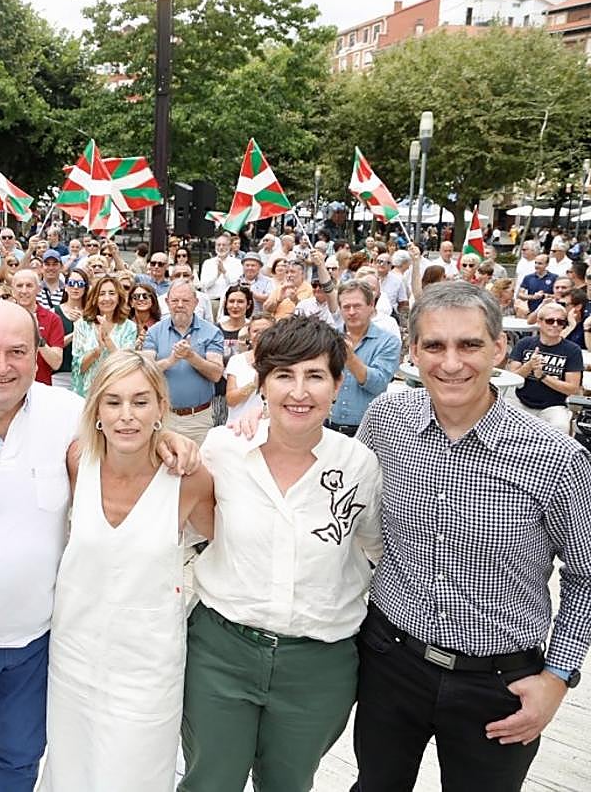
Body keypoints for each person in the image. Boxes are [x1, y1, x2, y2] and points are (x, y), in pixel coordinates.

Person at [0, 302, 196, 792]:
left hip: (41, 638)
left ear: (37, 356)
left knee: (22, 758)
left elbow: (129, 437)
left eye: (16, 352)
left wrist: (169, 439)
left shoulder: (69, 418)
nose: (2, 366)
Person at [350, 282, 591, 792]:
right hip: (391, 660)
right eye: (434, 346)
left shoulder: (556, 456)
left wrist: (557, 679)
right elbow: (340, 497)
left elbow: (585, 575)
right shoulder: (386, 422)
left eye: (470, 345)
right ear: (413, 352)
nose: (451, 362)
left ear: (500, 348)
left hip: (500, 682)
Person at [181, 316, 384, 792]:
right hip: (221, 650)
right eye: (284, 375)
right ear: (263, 384)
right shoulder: (222, 449)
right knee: (210, 781)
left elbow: (373, 548)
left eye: (314, 376)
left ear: (336, 386)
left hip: (317, 663)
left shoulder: (359, 464)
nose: (299, 391)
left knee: (289, 784)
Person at [39, 351, 214, 792]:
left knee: (133, 776)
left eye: (140, 401)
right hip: (75, 655)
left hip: (147, 665)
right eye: (113, 402)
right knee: (70, 771)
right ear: (96, 409)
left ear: (160, 406)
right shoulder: (79, 461)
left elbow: (229, 542)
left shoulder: (188, 479)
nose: (126, 416)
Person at [142, 280, 224, 445]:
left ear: (196, 302)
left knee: (198, 467)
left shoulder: (212, 332)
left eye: (185, 301)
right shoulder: (154, 332)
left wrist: (191, 356)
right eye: (175, 300)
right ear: (166, 302)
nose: (180, 305)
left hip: (198, 420)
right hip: (162, 417)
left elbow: (216, 374)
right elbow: (145, 371)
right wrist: (171, 360)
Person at [327, 281, 402, 437]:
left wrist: (350, 358)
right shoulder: (327, 338)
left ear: (371, 305)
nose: (352, 312)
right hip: (327, 426)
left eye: (357, 306)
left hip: (367, 431)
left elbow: (379, 383)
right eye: (346, 307)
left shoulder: (388, 341)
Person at [507, 300, 583, 434]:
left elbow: (572, 388)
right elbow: (512, 378)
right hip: (520, 401)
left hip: (553, 407)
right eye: (550, 321)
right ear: (539, 322)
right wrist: (529, 365)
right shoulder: (525, 344)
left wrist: (543, 376)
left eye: (560, 322)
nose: (555, 325)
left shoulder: (572, 350)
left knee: (560, 427)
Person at [72, 276, 137, 397]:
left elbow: (126, 365)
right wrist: (97, 351)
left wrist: (107, 340)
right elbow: (78, 368)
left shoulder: (129, 327)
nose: (107, 298)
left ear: (119, 298)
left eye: (112, 293)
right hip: (86, 395)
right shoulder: (83, 324)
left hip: (117, 394)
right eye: (102, 294)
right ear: (95, 298)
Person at [11, 269, 64, 385]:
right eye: (19, 286)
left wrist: (38, 339)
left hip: (40, 388)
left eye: (29, 286)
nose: (24, 291)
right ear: (13, 291)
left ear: (38, 290)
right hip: (9, 386)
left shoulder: (53, 319)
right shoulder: (4, 317)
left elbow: (56, 363)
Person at [224, 311, 273, 423]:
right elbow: (230, 400)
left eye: (266, 331)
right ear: (249, 335)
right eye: (256, 331)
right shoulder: (236, 360)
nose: (260, 335)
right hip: (238, 426)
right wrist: (253, 385)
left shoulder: (283, 361)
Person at [52, 268, 88, 390]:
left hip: (86, 375)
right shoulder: (54, 313)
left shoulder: (91, 313)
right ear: (66, 287)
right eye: (72, 283)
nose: (75, 287)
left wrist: (83, 322)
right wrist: (75, 333)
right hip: (60, 375)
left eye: (80, 284)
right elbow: (52, 347)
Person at [199, 235, 243, 315]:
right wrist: (217, 276)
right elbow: (203, 285)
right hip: (211, 302)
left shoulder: (237, 263)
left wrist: (224, 272)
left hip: (229, 303)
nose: (221, 247)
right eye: (218, 245)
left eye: (224, 245)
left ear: (229, 246)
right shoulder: (208, 263)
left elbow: (235, 283)